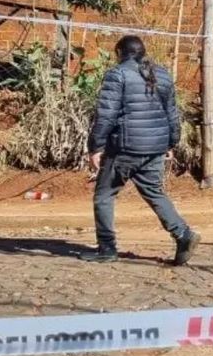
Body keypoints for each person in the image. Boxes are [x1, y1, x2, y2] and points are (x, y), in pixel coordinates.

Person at [84, 36, 199, 265]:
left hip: (125, 148)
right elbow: (172, 113)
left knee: (104, 196)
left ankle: (107, 248)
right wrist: (171, 143)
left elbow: (106, 114)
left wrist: (95, 146)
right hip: (155, 147)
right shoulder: (162, 74)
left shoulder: (117, 75)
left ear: (120, 53)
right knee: (154, 192)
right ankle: (183, 234)